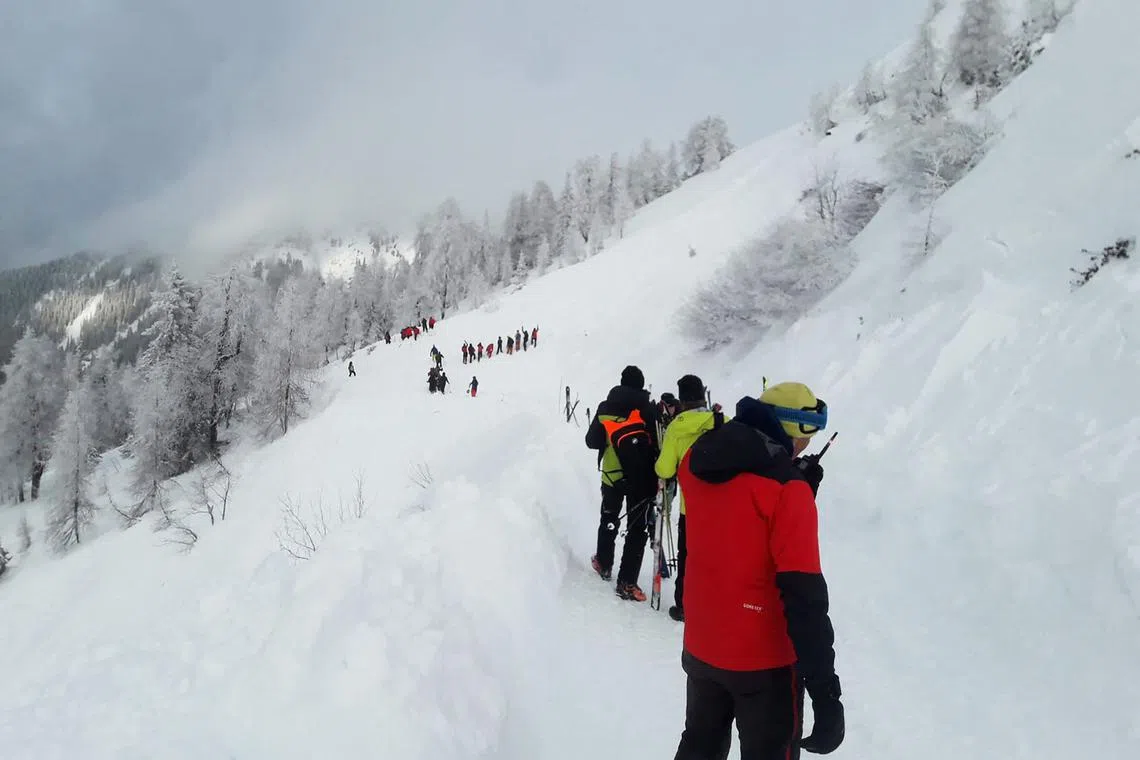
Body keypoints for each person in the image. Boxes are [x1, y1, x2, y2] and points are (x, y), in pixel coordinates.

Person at [673, 382, 842, 760]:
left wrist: (791, 480)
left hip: (703, 644)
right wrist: (826, 691)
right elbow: (804, 598)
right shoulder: (787, 491)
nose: (808, 447)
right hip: (764, 664)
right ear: (792, 429)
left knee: (699, 746)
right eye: (807, 434)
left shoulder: (695, 463)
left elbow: (733, 523)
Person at [584, 365, 660, 602]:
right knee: (636, 529)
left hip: (612, 474)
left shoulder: (606, 407)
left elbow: (591, 441)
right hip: (641, 477)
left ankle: (604, 563)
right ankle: (627, 583)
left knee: (609, 518)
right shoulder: (648, 409)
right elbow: (658, 443)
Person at [654, 375, 725, 623]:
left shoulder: (677, 427)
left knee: (688, 556)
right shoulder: (721, 421)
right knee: (717, 555)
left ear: (682, 399)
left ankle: (684, 605)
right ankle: (716, 603)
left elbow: (665, 469)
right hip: (723, 504)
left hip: (691, 505)